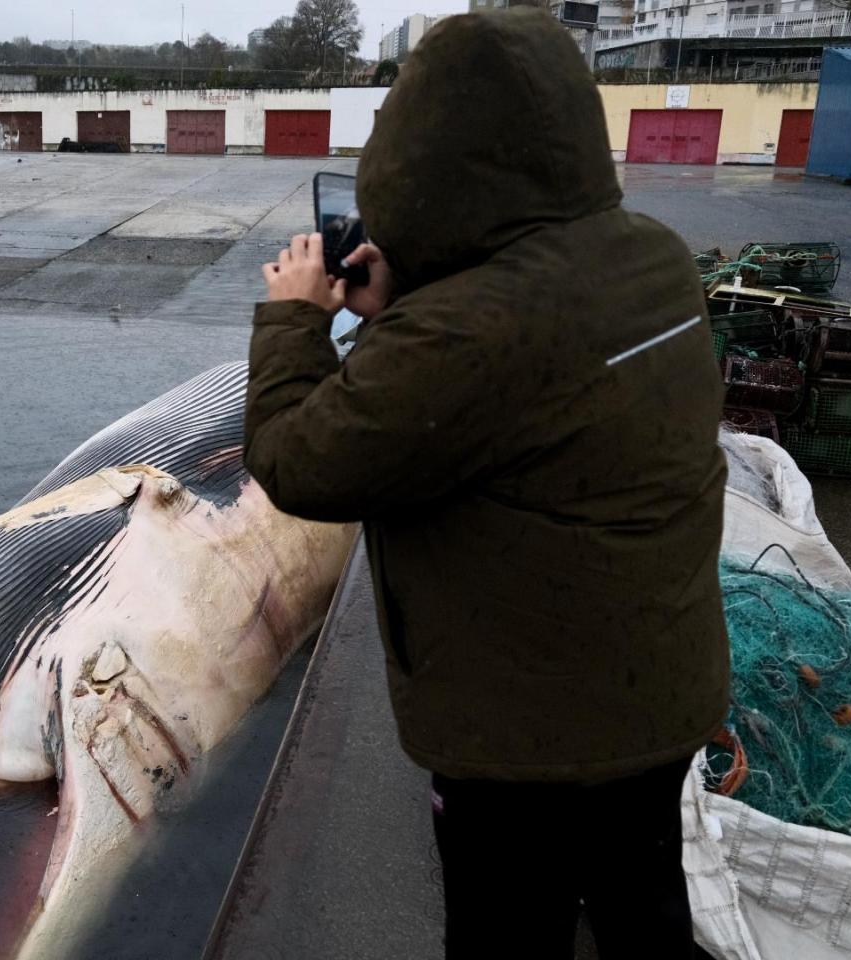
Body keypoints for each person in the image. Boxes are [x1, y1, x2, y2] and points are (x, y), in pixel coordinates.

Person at [243, 10, 729, 960]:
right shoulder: (654, 256)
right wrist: (413, 300)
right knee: (644, 910)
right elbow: (519, 391)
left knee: (507, 934)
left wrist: (297, 319)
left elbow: (299, 463)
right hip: (660, 690)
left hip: (523, 746)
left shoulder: (466, 332)